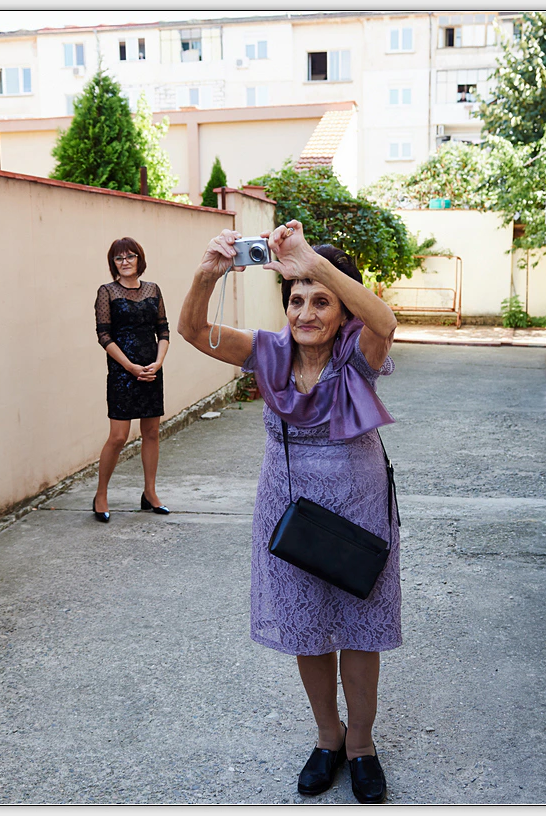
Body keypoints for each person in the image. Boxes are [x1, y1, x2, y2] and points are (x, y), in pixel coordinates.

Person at [178, 222, 401, 803]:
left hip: (359, 509)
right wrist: (207, 275)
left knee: (360, 631)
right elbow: (193, 331)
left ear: (342, 308)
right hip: (289, 511)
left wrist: (311, 262)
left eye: (321, 300)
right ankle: (328, 738)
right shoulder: (267, 353)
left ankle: (361, 745)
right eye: (296, 299)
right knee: (307, 628)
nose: (305, 312)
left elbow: (384, 321)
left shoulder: (358, 355)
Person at [91, 237, 171, 522]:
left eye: (130, 256)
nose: (125, 262)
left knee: (151, 433)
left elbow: (163, 330)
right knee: (118, 436)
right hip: (122, 373)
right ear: (113, 263)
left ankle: (150, 493)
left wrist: (158, 362)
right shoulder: (107, 292)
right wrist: (129, 367)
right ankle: (101, 494)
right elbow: (104, 335)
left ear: (139, 259)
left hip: (151, 370)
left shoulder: (153, 289)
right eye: (119, 258)